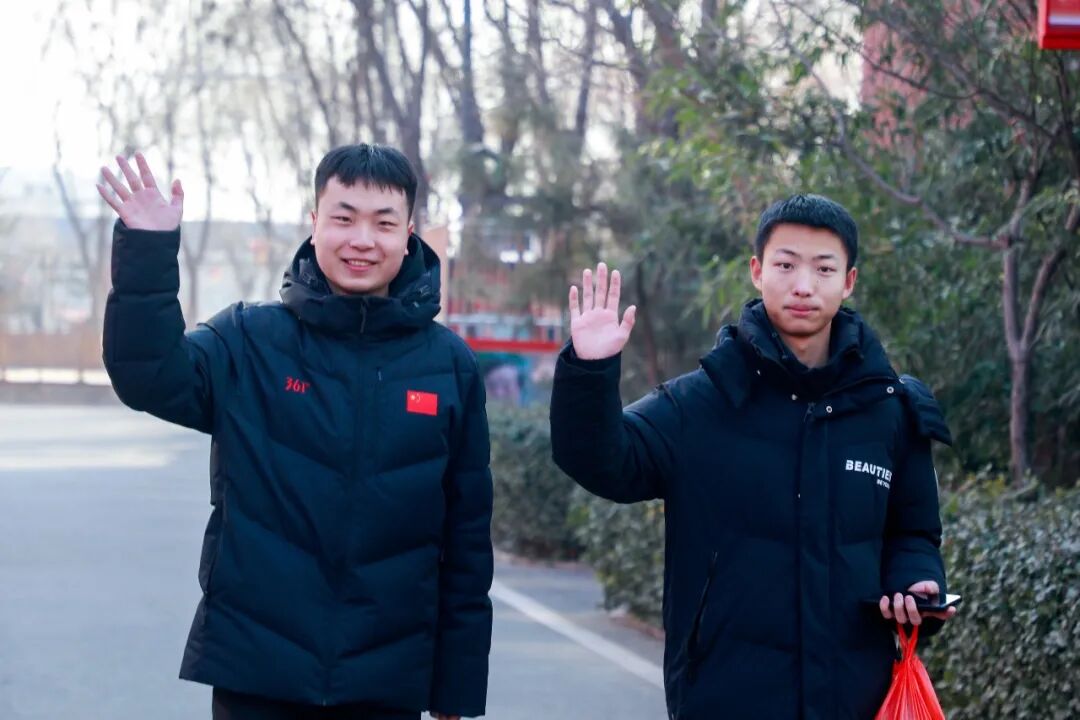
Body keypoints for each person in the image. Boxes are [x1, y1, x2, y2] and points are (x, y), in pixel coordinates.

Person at [97, 145, 493, 720]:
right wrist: (147, 251)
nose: (362, 240)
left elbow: (466, 540)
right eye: (343, 218)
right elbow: (149, 377)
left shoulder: (449, 366)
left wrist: (456, 688)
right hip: (258, 675)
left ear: (408, 234)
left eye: (383, 223)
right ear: (314, 223)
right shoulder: (249, 340)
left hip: (386, 683)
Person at [549, 194, 957, 720]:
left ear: (849, 281)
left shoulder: (889, 409)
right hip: (726, 696)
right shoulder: (701, 403)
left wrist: (916, 581)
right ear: (757, 271)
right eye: (786, 266)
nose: (804, 285)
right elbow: (602, 461)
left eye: (823, 268)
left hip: (857, 697)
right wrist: (590, 370)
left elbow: (914, 532)